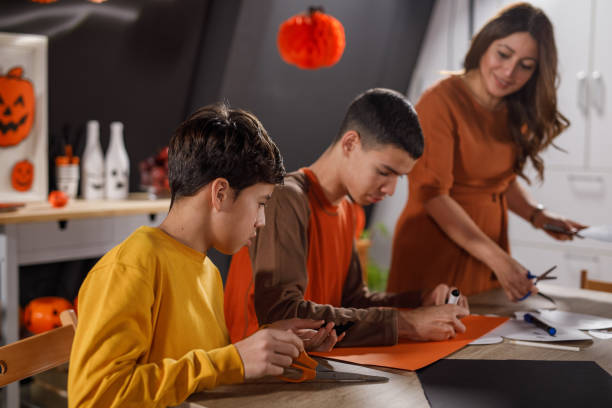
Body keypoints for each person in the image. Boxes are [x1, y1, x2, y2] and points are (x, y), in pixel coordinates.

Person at [67, 104, 341, 408]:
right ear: (220, 193)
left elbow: (207, 375)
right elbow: (93, 399)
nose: (261, 220)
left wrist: (276, 347)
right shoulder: (132, 266)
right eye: (260, 203)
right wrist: (232, 359)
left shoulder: (207, 272)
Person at [224, 88, 469, 348]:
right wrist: (407, 323)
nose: (391, 189)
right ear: (350, 143)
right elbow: (282, 314)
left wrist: (420, 302)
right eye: (384, 172)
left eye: (399, 177)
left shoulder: (349, 211)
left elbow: (352, 302)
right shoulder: (285, 199)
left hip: (314, 365)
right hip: (262, 377)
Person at [387, 3, 585, 302]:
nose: (509, 71)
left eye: (526, 65)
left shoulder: (512, 109)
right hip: (435, 251)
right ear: (484, 44)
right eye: (503, 54)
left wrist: (538, 216)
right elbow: (433, 196)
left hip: (486, 252)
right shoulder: (439, 102)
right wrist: (499, 260)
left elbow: (498, 181)